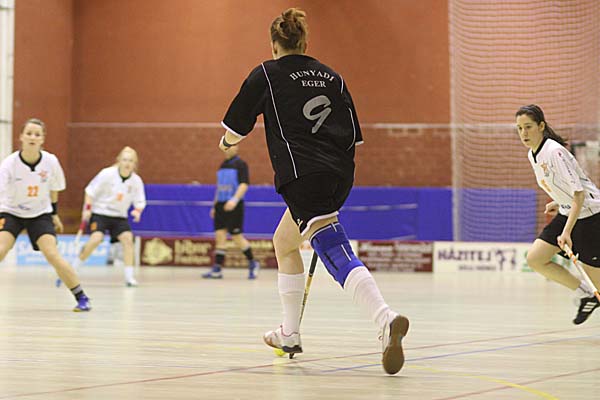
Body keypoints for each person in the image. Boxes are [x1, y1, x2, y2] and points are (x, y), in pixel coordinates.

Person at [218, 8, 408, 375]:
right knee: (284, 242)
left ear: (274, 46)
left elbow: (236, 129)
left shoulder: (267, 74)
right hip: (340, 173)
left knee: (333, 248)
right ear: (305, 44)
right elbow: (354, 137)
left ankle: (385, 318)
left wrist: (226, 142)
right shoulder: (333, 77)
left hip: (303, 175)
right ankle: (289, 333)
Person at [516, 104, 600, 324]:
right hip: (569, 210)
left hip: (590, 217)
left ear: (541, 126)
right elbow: (568, 190)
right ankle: (586, 295)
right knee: (536, 259)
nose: (524, 133)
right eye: (520, 128)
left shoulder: (554, 152)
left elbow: (579, 194)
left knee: (598, 282)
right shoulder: (532, 154)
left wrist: (566, 232)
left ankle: (594, 294)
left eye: (528, 127)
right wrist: (558, 201)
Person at [0, 118, 91, 311]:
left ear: (42, 139)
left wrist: (54, 214)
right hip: (11, 212)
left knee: (52, 254)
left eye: (37, 134)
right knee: (1, 249)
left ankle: (82, 297)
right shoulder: (9, 164)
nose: (32, 137)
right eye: (29, 133)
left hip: (40, 214)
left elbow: (55, 188)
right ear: (21, 137)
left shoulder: (51, 161)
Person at [73, 146, 146, 287]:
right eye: (125, 160)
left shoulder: (136, 181)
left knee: (128, 240)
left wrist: (137, 211)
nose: (127, 163)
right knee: (96, 239)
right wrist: (87, 209)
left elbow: (140, 201)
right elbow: (90, 191)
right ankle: (74, 268)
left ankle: (129, 277)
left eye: (131, 161)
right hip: (100, 213)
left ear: (134, 163)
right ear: (119, 160)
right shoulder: (106, 174)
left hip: (119, 216)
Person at [202, 145, 260, 279]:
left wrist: (234, 199)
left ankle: (253, 262)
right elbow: (219, 187)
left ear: (237, 148)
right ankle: (217, 269)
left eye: (232, 145)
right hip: (220, 205)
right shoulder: (222, 165)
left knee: (236, 236)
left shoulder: (241, 164)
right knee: (220, 236)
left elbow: (244, 184)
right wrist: (214, 206)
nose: (229, 148)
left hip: (234, 205)